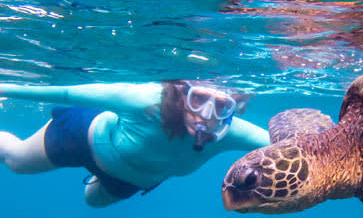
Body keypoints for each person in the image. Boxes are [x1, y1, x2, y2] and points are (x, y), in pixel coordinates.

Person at [0, 80, 270, 207]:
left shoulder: (233, 132)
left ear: (234, 110)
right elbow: (65, 91)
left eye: (222, 106)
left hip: (129, 179)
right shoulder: (147, 100)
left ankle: (103, 171)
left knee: (92, 202)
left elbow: (294, 144)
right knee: (17, 161)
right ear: (181, 94)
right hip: (81, 138)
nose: (206, 113)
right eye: (198, 99)